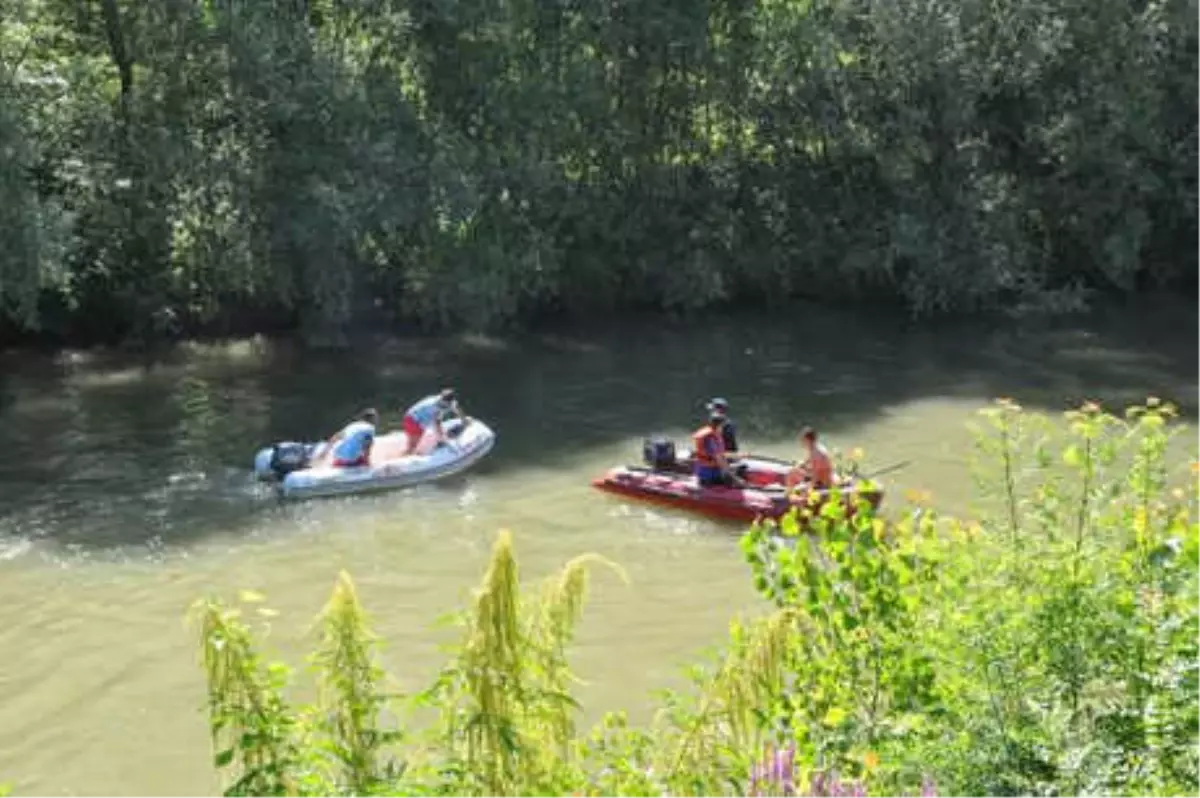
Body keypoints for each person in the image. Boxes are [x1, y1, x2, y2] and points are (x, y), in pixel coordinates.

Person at [402, 388, 463, 454]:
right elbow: (437, 424)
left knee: (415, 440)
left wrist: (464, 419)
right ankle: (406, 457)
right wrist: (443, 438)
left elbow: (456, 408)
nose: (443, 402)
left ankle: (412, 452)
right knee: (413, 444)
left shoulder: (449, 401)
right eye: (443, 401)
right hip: (413, 420)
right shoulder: (435, 407)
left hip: (412, 417)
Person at [692, 413, 740, 487]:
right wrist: (734, 478)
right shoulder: (710, 439)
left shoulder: (714, 435)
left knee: (736, 470)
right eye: (723, 425)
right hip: (708, 474)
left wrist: (738, 455)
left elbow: (720, 454)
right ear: (719, 425)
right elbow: (719, 459)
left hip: (712, 469)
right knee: (735, 477)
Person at [786, 426, 834, 491]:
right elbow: (807, 461)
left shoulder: (816, 453)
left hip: (822, 483)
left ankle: (789, 492)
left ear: (808, 440)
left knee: (791, 474)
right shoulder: (815, 448)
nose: (802, 442)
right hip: (819, 478)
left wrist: (809, 488)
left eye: (803, 440)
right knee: (794, 471)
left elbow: (816, 474)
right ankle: (791, 489)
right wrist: (799, 465)